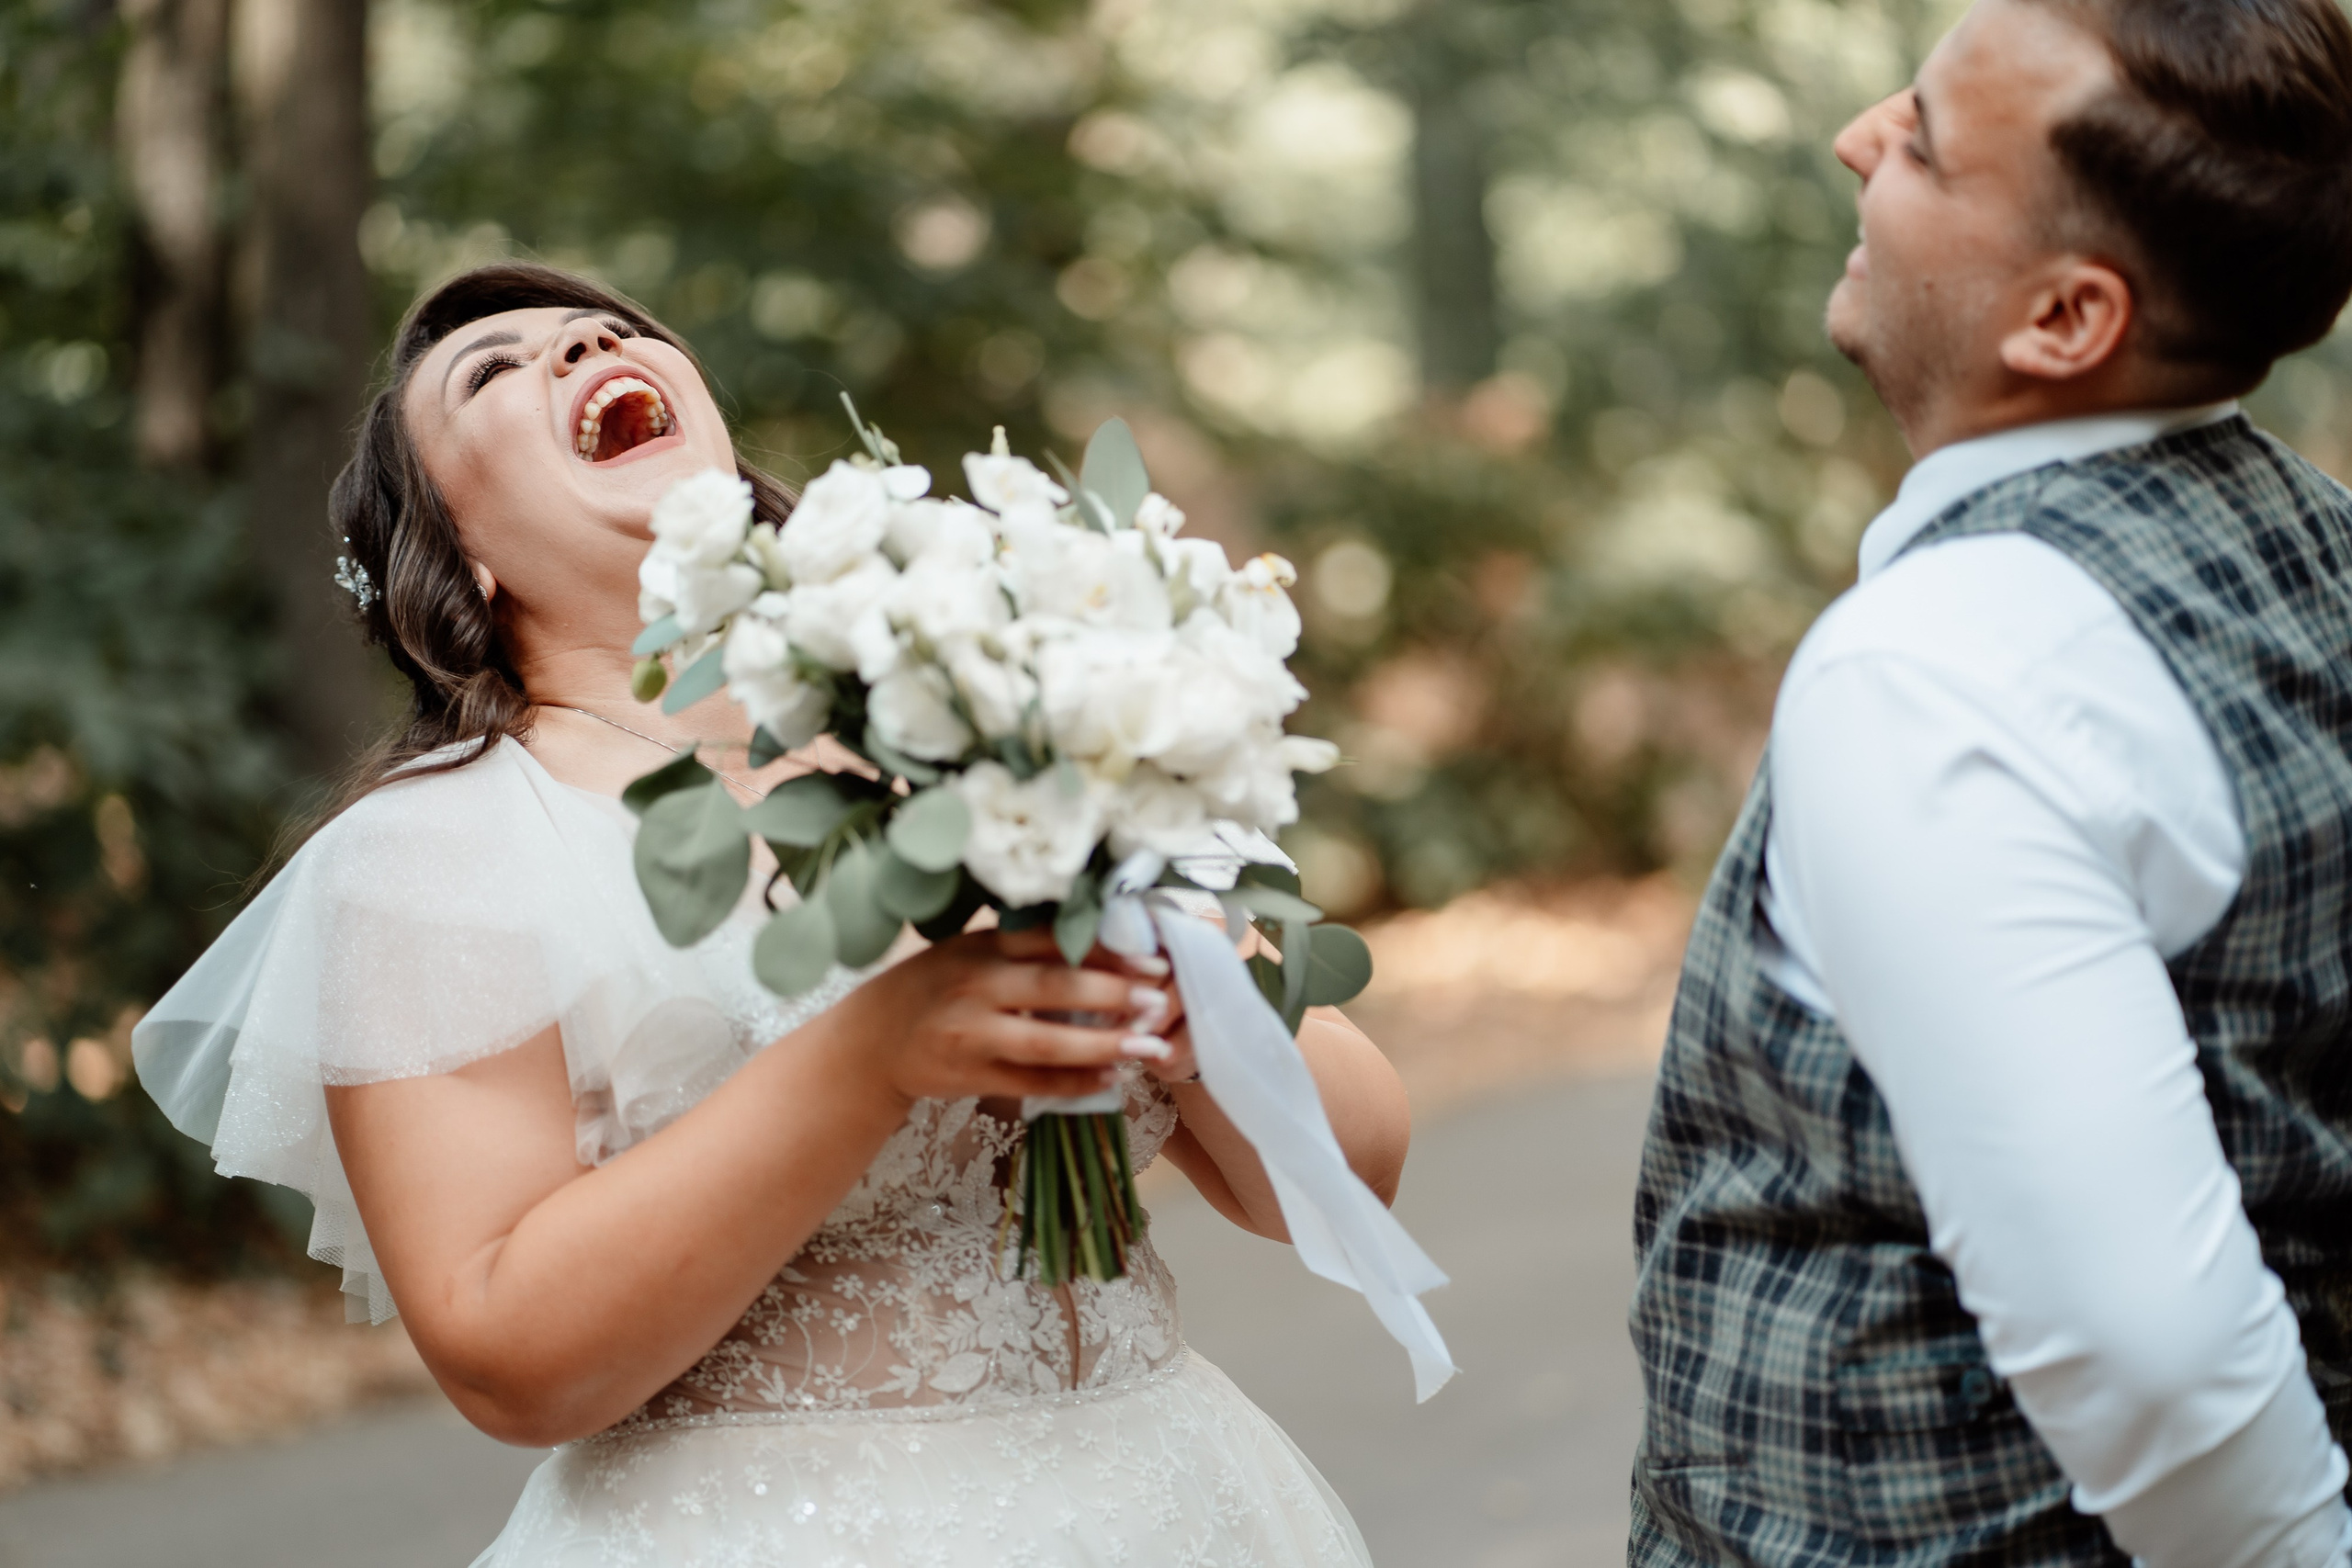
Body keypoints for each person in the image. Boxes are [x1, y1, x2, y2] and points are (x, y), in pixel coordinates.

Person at [131, 262, 1409, 1567]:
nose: (580, 347)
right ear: (455, 550)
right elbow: (507, 1359)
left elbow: (1355, 1168)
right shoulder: (437, 854)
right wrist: (869, 1055)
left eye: (609, 331)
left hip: (1179, 1508)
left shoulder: (987, 727)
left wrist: (1182, 994)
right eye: (498, 371)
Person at [1629, 0, 2352, 1562]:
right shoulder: (2320, 542)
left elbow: (2154, 1357)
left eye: (1926, 144)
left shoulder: (1942, 668)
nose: (1856, 139)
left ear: (2067, 321)